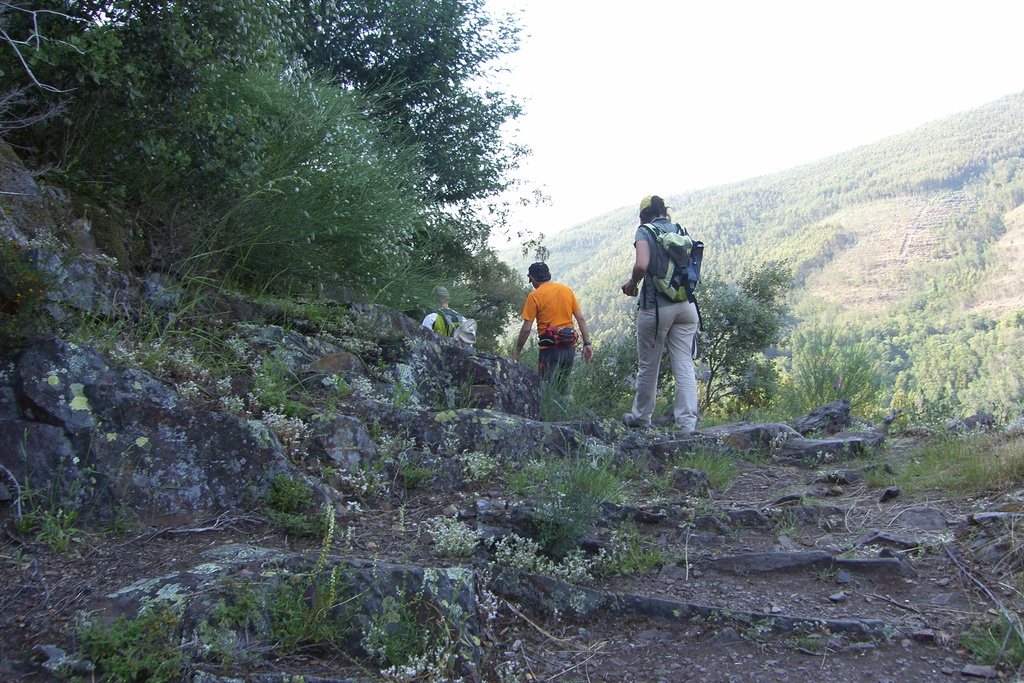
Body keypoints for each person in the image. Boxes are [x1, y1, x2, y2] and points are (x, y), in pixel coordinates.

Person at [620, 195, 700, 432]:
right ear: (665, 211)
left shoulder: (645, 232)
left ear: (643, 215)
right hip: (686, 305)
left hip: (656, 308)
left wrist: (632, 282)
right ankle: (687, 425)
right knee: (684, 364)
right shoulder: (679, 229)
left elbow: (642, 264)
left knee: (649, 365)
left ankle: (641, 418)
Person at [513, 261, 593, 393]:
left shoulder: (535, 295)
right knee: (563, 386)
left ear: (532, 278)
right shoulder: (567, 291)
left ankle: (545, 412)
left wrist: (518, 351)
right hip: (569, 347)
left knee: (544, 387)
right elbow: (581, 318)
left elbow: (527, 328)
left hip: (549, 348)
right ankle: (568, 411)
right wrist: (587, 343)